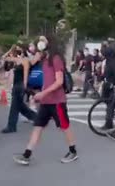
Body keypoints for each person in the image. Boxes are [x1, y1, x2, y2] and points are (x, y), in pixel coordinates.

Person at [13, 35, 78, 165]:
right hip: (46, 101)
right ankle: (27, 154)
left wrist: (43, 93)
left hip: (57, 101)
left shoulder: (56, 58)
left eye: (43, 41)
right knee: (37, 126)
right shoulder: (44, 59)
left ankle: (73, 151)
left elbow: (59, 82)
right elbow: (45, 80)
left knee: (64, 126)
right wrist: (39, 93)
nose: (40, 43)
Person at [1, 45, 37, 133]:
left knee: (14, 106)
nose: (17, 51)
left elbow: (25, 74)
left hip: (20, 85)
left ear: (23, 51)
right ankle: (37, 118)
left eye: (19, 50)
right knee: (20, 106)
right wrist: (11, 49)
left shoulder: (25, 61)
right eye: (16, 50)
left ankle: (11, 126)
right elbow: (4, 58)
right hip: (15, 84)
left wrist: (24, 87)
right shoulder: (16, 60)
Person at [100, 45, 115, 130]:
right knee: (107, 102)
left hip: (113, 86)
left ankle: (108, 123)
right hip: (108, 85)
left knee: (110, 105)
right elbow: (107, 73)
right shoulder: (109, 61)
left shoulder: (113, 62)